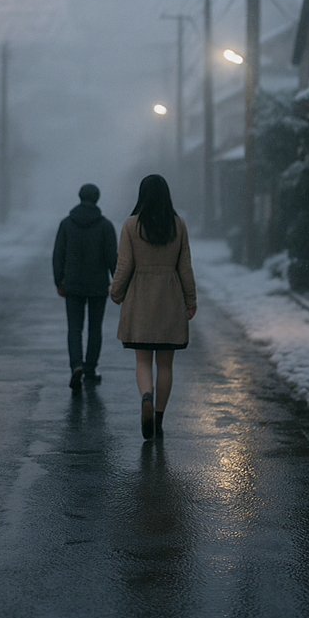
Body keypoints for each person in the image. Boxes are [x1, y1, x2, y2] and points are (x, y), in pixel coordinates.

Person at [109, 174, 196, 440]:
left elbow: (124, 265)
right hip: (170, 297)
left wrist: (116, 292)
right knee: (165, 365)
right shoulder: (178, 225)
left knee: (143, 361)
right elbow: (185, 267)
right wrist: (190, 301)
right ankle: (158, 419)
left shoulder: (131, 225)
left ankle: (146, 396)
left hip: (141, 298)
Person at [52, 183, 118, 391]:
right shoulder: (105, 226)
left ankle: (76, 365)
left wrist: (59, 281)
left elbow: (58, 255)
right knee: (95, 328)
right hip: (98, 285)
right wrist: (117, 282)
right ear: (97, 198)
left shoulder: (66, 224)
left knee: (74, 328)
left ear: (80, 197)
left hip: (72, 285)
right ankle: (90, 369)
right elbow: (113, 258)